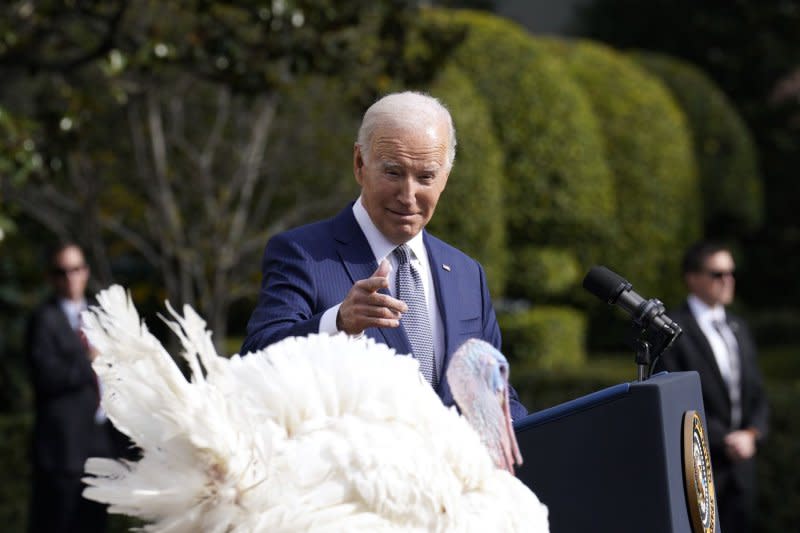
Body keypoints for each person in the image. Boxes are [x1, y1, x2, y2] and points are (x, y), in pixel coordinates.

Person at [242, 91, 527, 420]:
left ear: (445, 177)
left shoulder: (466, 274)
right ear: (360, 164)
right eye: (393, 173)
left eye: (425, 177)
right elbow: (255, 363)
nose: (408, 196)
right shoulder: (304, 254)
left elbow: (497, 395)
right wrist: (338, 323)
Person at [655, 241, 769, 533]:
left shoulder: (737, 327)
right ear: (693, 279)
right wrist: (723, 439)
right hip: (699, 463)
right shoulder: (673, 330)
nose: (727, 281)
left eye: (731, 273)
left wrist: (752, 434)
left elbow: (756, 392)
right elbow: (675, 397)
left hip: (742, 465)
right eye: (718, 274)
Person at [25, 243, 127, 533]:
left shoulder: (99, 315)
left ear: (86, 272)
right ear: (51, 277)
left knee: (94, 524)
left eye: (76, 269)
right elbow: (46, 377)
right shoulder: (43, 319)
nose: (70, 277)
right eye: (62, 271)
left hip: (100, 444)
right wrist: (88, 360)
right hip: (62, 450)